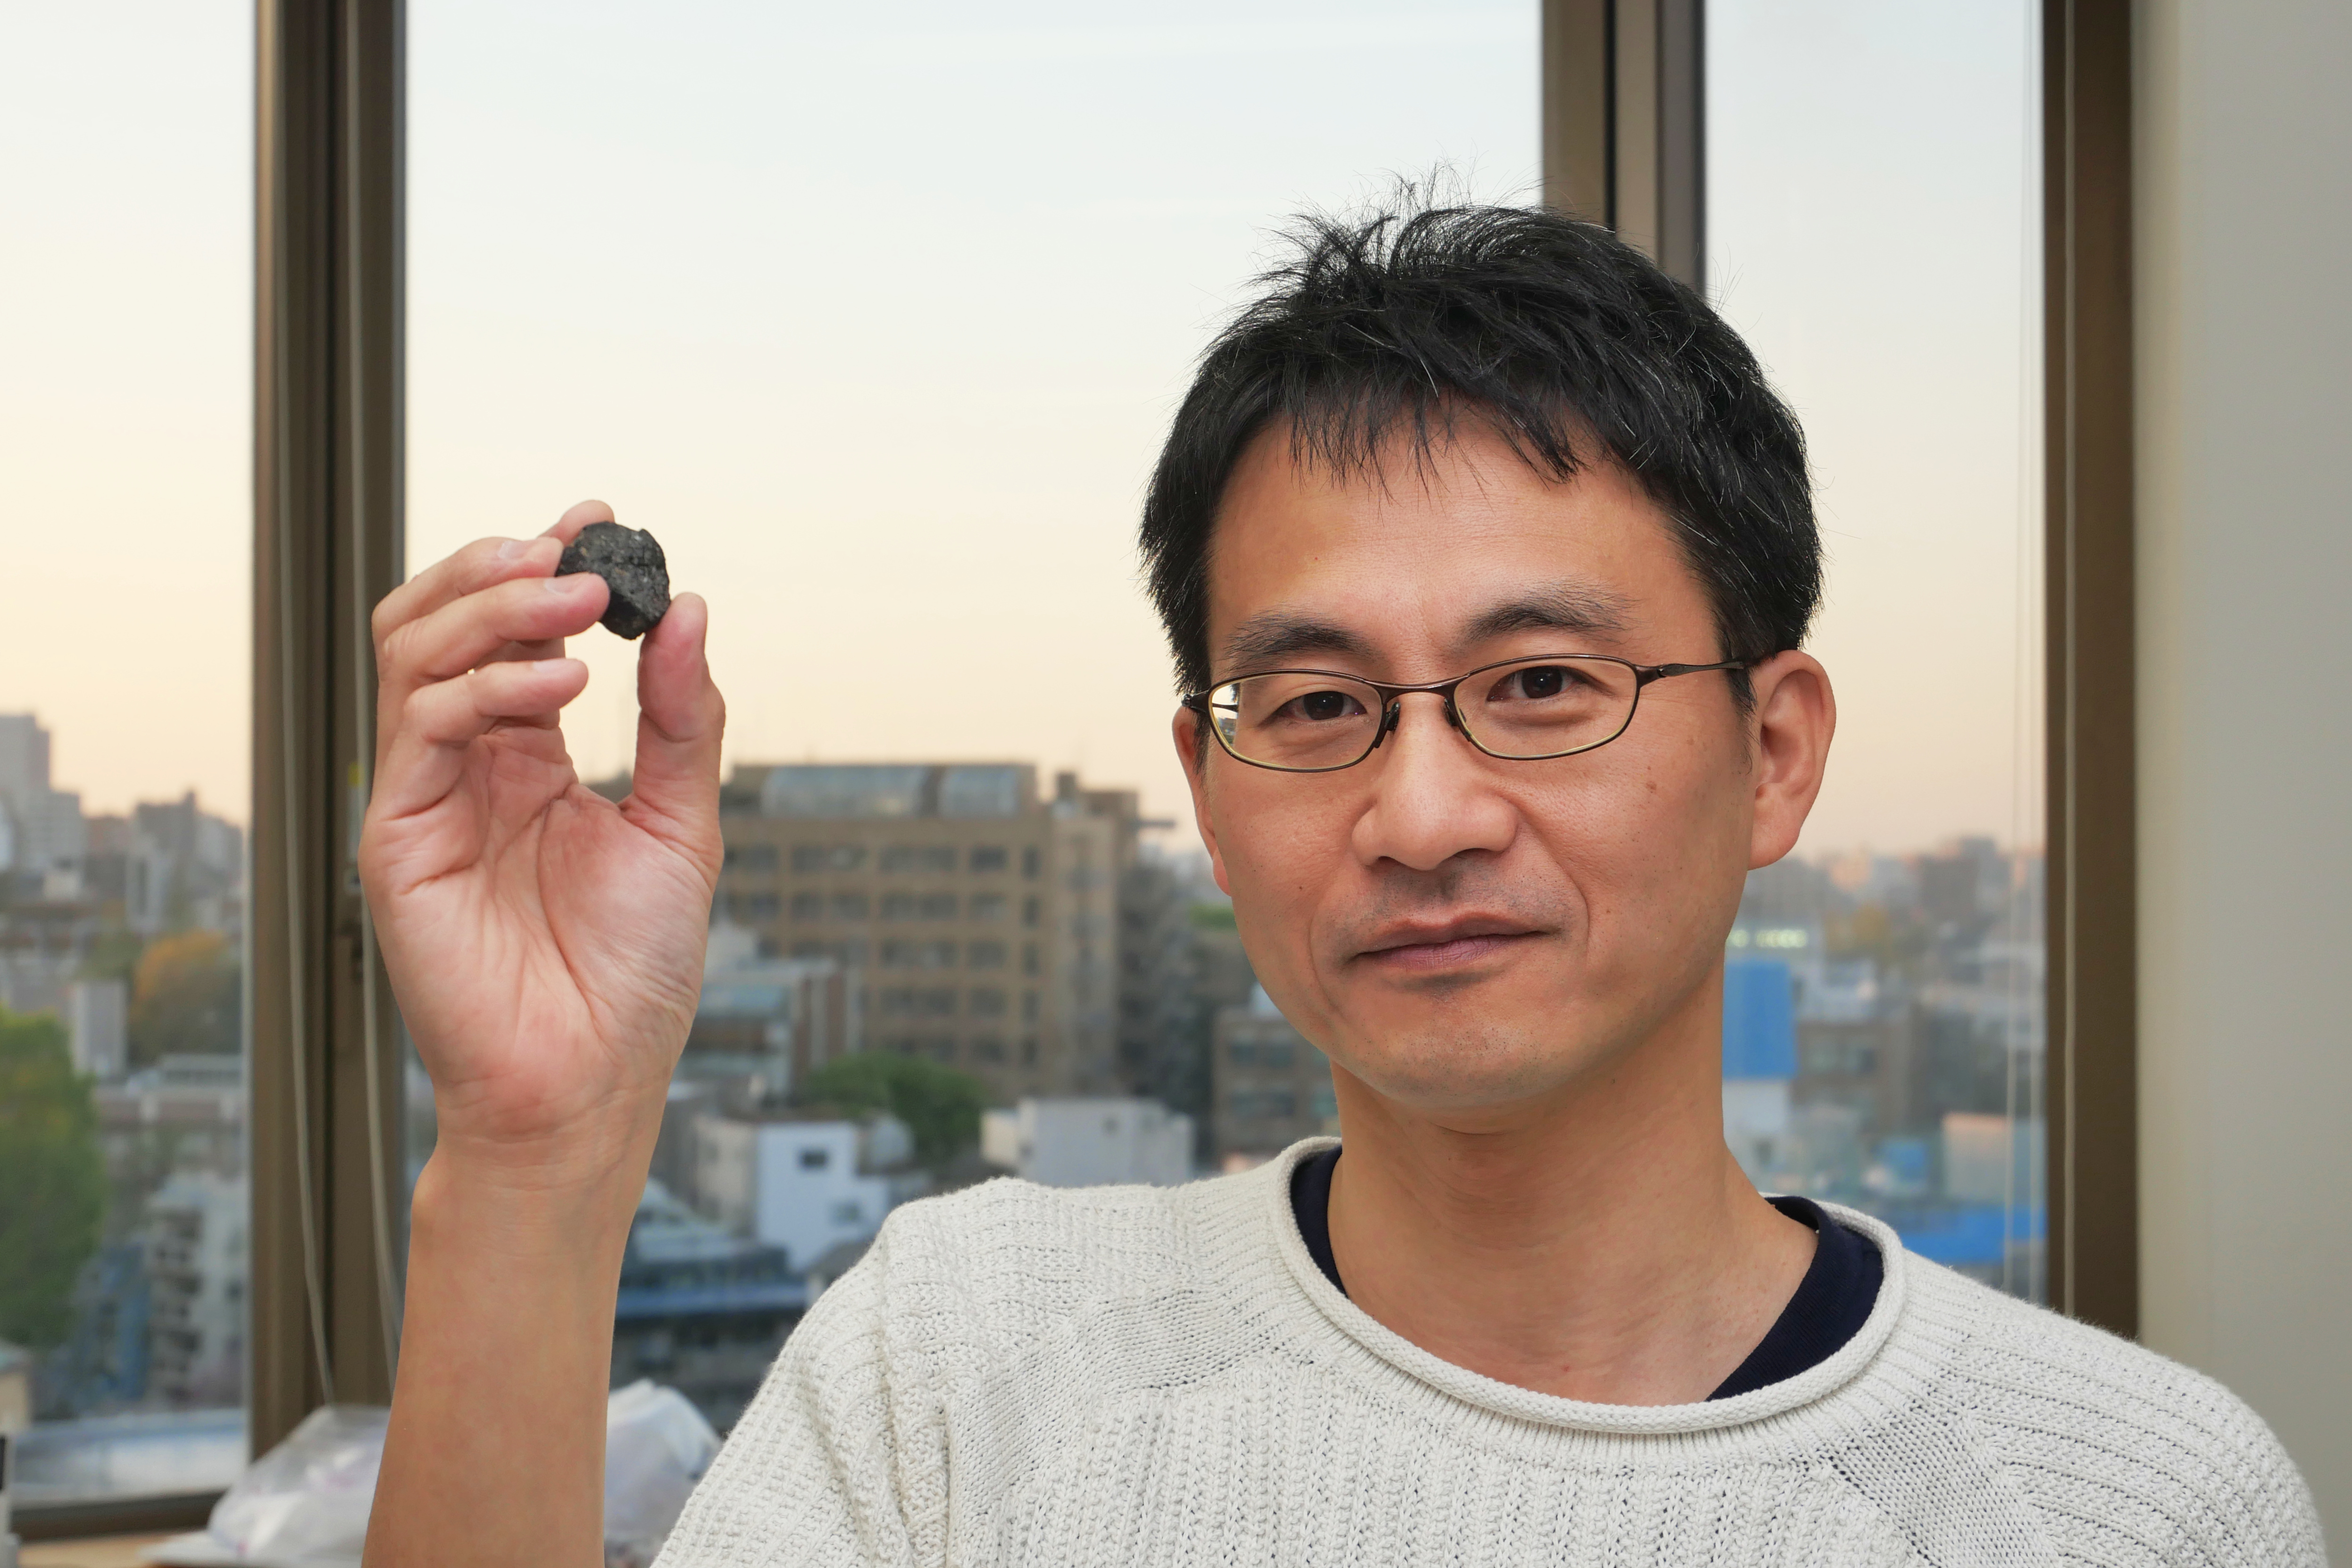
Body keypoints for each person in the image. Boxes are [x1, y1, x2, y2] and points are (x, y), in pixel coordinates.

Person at [359, 200, 2323, 1567]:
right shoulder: (960, 1357)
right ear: (1206, 790)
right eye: (1311, 704)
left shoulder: (2123, 1506)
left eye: (1540, 687)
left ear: (1774, 752)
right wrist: (539, 1151)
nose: (1420, 811)